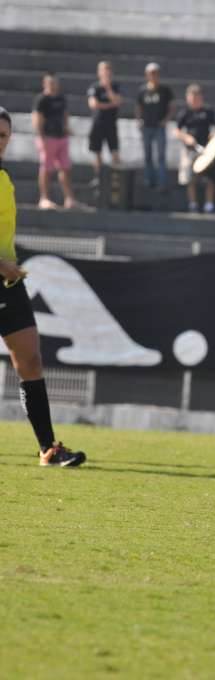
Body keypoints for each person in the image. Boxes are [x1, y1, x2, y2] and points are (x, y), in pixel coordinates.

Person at [0, 107, 86, 467]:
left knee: (31, 361)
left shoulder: (3, 177)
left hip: (7, 283)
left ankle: (48, 448)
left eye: (3, 136)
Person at [32, 73, 78, 210]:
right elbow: (37, 119)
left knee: (65, 168)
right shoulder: (41, 100)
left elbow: (64, 115)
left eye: (55, 83)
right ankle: (44, 198)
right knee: (46, 169)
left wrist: (67, 128)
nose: (53, 85)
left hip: (61, 137)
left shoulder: (61, 98)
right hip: (48, 138)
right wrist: (41, 137)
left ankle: (69, 198)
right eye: (50, 83)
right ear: (45, 84)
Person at [174, 84, 215, 213]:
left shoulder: (208, 112)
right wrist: (186, 137)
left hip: (206, 150)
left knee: (211, 178)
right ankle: (193, 204)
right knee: (190, 178)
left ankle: (209, 205)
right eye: (191, 96)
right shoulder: (185, 113)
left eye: (196, 96)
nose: (194, 99)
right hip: (190, 149)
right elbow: (176, 131)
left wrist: (214, 136)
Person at [135, 62, 175, 190]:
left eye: (155, 73)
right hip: (146, 126)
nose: (153, 76)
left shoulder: (165, 90)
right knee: (147, 155)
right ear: (147, 75)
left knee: (161, 156)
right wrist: (138, 120)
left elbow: (172, 107)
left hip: (159, 126)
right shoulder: (142, 90)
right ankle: (149, 180)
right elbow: (138, 107)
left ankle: (161, 181)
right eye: (151, 73)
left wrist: (166, 120)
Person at [86, 61, 123, 186]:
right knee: (97, 152)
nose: (106, 72)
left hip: (111, 124)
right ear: (98, 72)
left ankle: (116, 179)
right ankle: (98, 177)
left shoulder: (115, 86)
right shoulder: (94, 87)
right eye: (103, 69)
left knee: (115, 151)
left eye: (108, 69)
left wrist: (108, 89)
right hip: (97, 123)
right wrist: (109, 105)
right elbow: (93, 104)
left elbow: (117, 101)